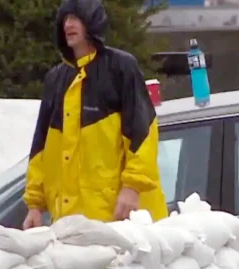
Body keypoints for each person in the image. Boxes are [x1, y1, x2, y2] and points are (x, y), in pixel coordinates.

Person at [22, 0, 168, 230]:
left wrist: (132, 187)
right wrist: (35, 204)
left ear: (92, 21)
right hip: (69, 221)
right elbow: (41, 146)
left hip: (120, 218)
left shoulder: (120, 68)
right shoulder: (56, 79)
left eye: (76, 18)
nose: (68, 25)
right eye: (65, 19)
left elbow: (143, 131)